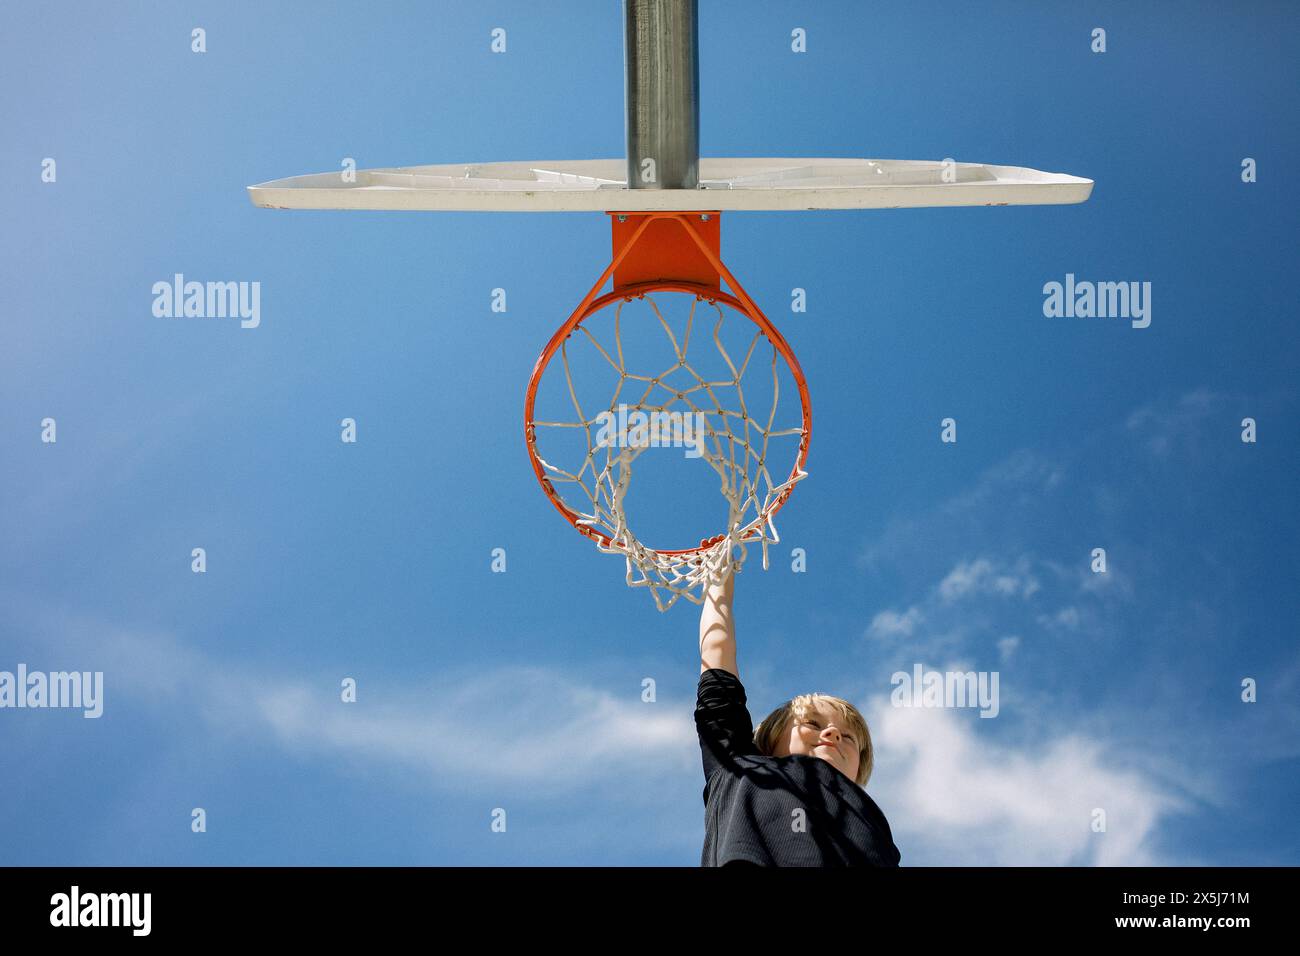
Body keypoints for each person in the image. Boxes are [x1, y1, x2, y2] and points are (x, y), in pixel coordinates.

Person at [695, 565, 901, 866]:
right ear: (770, 741)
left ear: (860, 767)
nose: (832, 734)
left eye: (848, 737)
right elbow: (717, 657)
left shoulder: (872, 822)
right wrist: (718, 585)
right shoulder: (740, 765)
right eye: (813, 724)